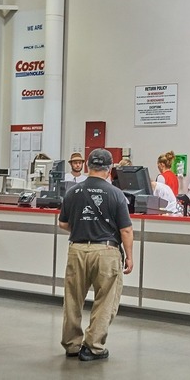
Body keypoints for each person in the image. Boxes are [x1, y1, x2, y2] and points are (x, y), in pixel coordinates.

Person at [58, 149, 134, 361]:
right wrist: (129, 256)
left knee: (73, 299)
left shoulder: (72, 192)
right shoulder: (116, 193)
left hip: (77, 250)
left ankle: (72, 345)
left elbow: (62, 223)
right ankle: (92, 346)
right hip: (106, 251)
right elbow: (125, 230)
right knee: (106, 299)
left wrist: (82, 226)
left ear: (86, 166)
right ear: (110, 170)